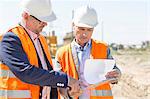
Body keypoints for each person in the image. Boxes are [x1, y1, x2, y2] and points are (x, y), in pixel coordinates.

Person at [0, 0, 82, 99]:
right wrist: (66, 80)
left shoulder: (41, 40)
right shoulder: (10, 39)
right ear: (26, 15)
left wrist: (65, 89)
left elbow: (46, 76)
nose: (45, 24)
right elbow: (26, 72)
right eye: (41, 20)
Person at [54, 6, 121, 99]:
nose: (85, 34)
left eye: (89, 30)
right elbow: (57, 82)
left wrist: (116, 73)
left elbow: (114, 71)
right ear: (73, 26)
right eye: (81, 29)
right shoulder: (62, 53)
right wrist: (68, 93)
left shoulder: (103, 48)